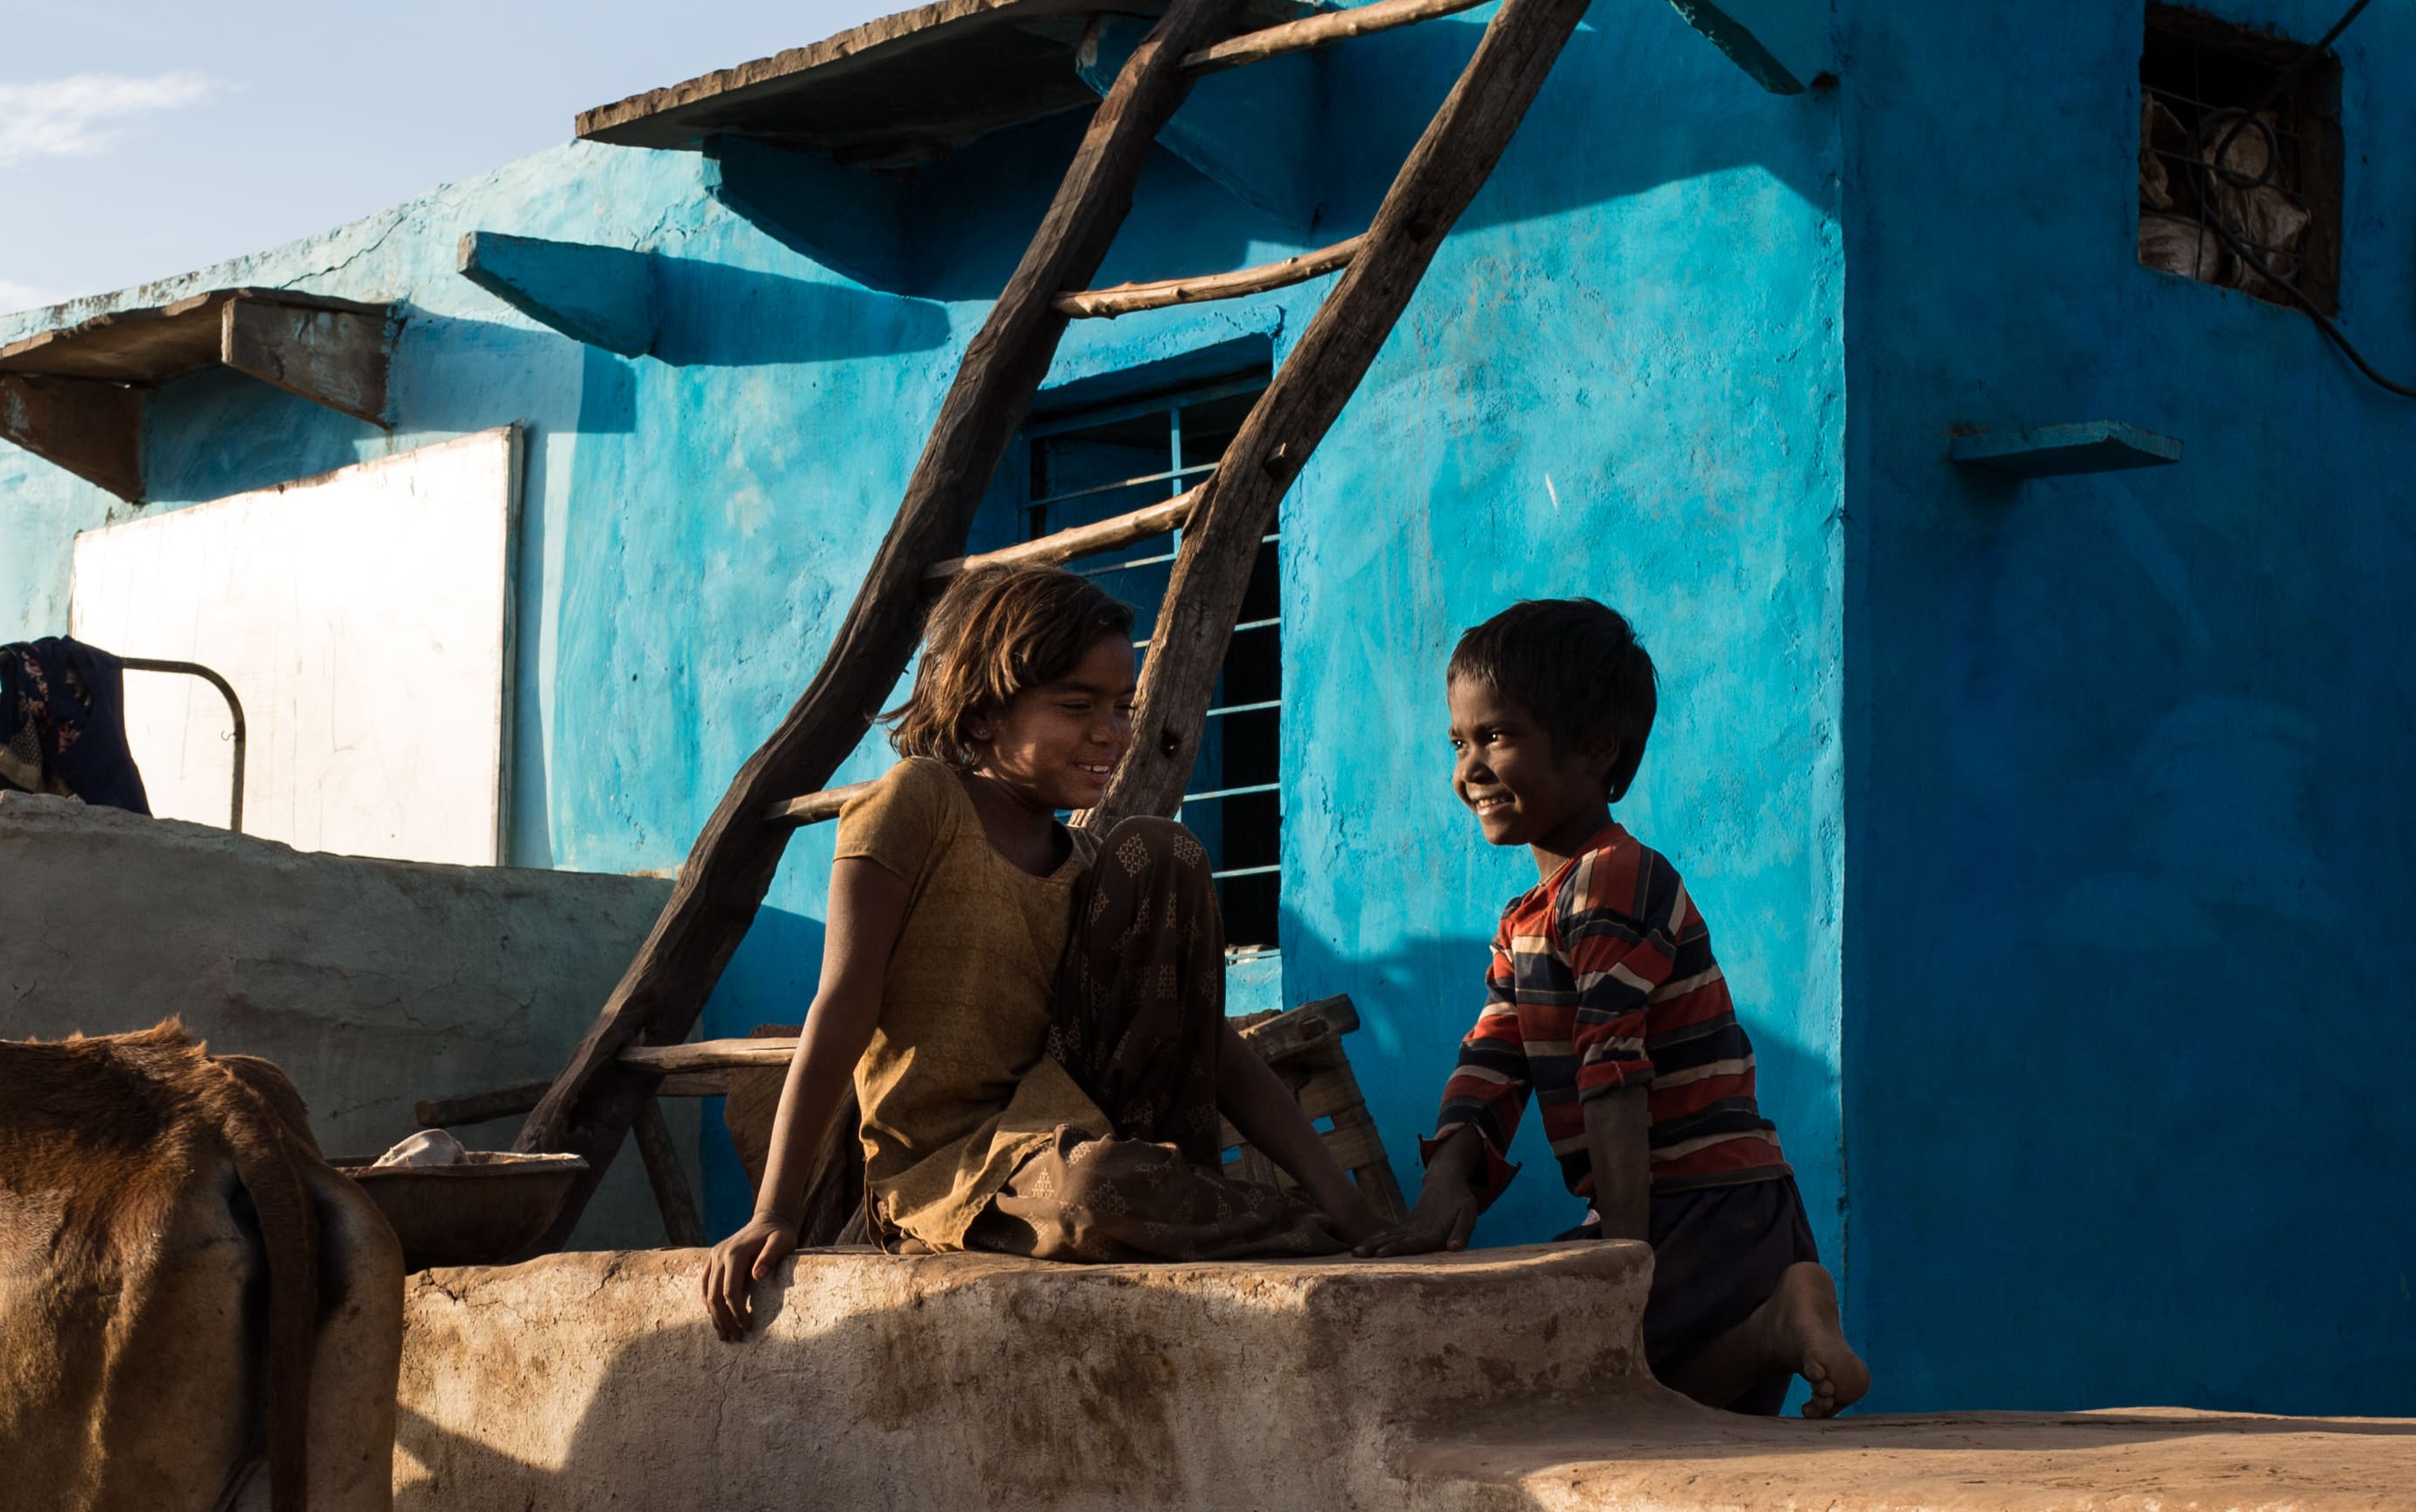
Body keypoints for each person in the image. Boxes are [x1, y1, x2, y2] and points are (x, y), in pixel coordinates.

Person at [701, 568, 1385, 1338]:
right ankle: (1250, 1219)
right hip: (954, 1174)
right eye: (1076, 705)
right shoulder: (915, 802)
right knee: (1095, 1193)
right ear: (985, 711)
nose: (1113, 731)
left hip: (1090, 1129)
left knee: (1157, 850)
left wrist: (1354, 1208)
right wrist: (773, 1214)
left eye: (1123, 707)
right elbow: (843, 1004)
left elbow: (1210, 1042)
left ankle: (1256, 1210)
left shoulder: (1094, 864)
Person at [1384, 597, 1870, 1418]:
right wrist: (1446, 1179)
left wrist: (1621, 1260)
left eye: (1497, 736)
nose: (1468, 768)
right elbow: (1493, 1060)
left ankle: (1777, 1320)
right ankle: (1777, 1323)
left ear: (1596, 748)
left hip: (1701, 1210)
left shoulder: (1614, 878)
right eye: (1458, 742)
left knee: (1583, 1395)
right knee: (1676, 1413)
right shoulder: (1526, 919)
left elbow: (1614, 1074)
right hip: (1708, 1213)